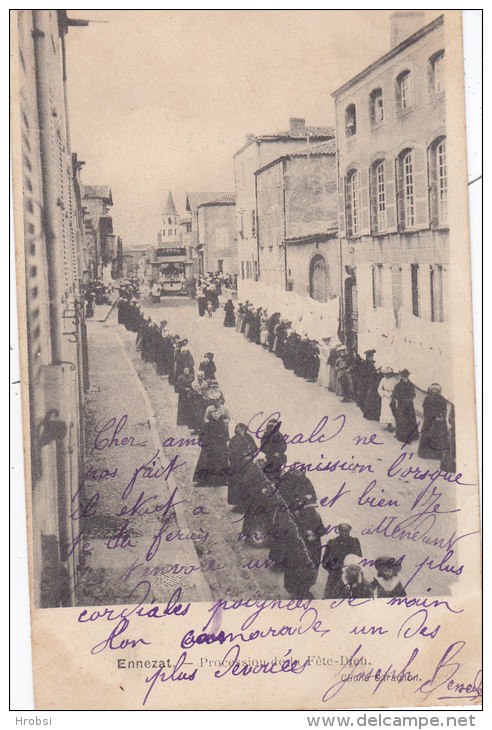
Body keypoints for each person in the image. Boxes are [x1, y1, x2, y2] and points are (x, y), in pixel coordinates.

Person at [193, 396, 230, 487]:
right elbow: (205, 419)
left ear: (220, 400)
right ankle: (205, 479)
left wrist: (222, 422)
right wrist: (210, 421)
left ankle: (222, 479)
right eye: (214, 400)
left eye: (217, 400)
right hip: (211, 435)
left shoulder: (224, 409)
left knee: (221, 455)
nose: (216, 402)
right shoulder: (209, 409)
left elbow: (228, 419)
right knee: (208, 454)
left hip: (220, 435)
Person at [322, 522, 362, 599]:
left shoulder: (354, 542)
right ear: (338, 530)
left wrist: (350, 569)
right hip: (335, 576)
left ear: (350, 530)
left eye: (346, 530)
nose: (344, 533)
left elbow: (359, 559)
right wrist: (333, 565)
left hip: (351, 575)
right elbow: (325, 562)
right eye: (341, 530)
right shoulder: (332, 542)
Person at [227, 424, 257, 509]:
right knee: (237, 484)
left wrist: (250, 455)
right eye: (238, 428)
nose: (239, 430)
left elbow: (254, 448)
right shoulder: (234, 439)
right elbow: (230, 452)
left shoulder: (249, 438)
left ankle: (247, 503)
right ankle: (239, 503)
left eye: (241, 428)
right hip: (237, 465)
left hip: (247, 465)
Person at [418, 383, 449, 460]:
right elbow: (426, 411)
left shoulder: (441, 399)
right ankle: (427, 453)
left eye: (436, 391)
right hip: (430, 421)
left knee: (438, 436)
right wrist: (436, 417)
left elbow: (444, 410)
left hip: (438, 421)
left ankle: (436, 454)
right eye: (433, 391)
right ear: (431, 391)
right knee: (429, 435)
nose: (435, 393)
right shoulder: (428, 399)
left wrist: (442, 417)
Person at [391, 369, 419, 443]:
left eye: (406, 377)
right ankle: (400, 435)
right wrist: (401, 399)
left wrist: (409, 399)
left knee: (410, 419)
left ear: (408, 376)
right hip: (401, 405)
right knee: (401, 419)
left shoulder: (411, 385)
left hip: (409, 405)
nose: (405, 378)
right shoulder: (398, 385)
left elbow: (413, 394)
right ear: (402, 377)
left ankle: (412, 435)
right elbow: (395, 395)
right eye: (403, 377)